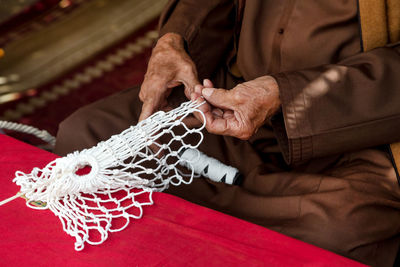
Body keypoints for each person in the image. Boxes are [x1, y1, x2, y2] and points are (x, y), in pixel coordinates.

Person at [54, 1, 400, 266]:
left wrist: (285, 94)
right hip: (221, 100)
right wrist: (175, 41)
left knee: (339, 234)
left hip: (360, 131)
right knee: (86, 138)